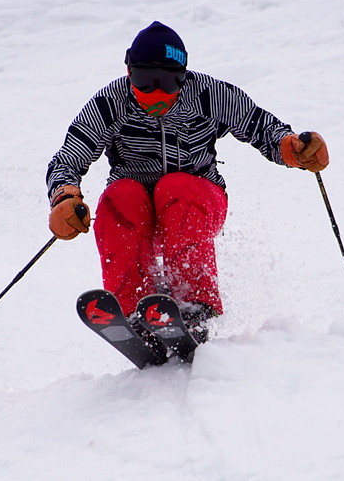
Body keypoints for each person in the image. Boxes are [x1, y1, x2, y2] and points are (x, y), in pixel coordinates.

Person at [47, 21, 329, 343]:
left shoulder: (208, 94)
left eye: (168, 81)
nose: (156, 92)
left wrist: (292, 148)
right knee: (118, 196)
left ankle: (193, 308)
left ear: (184, 76)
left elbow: (261, 126)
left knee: (176, 186)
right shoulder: (111, 103)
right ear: (128, 73)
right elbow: (69, 156)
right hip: (137, 210)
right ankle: (132, 308)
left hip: (196, 198)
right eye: (144, 79)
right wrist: (64, 197)